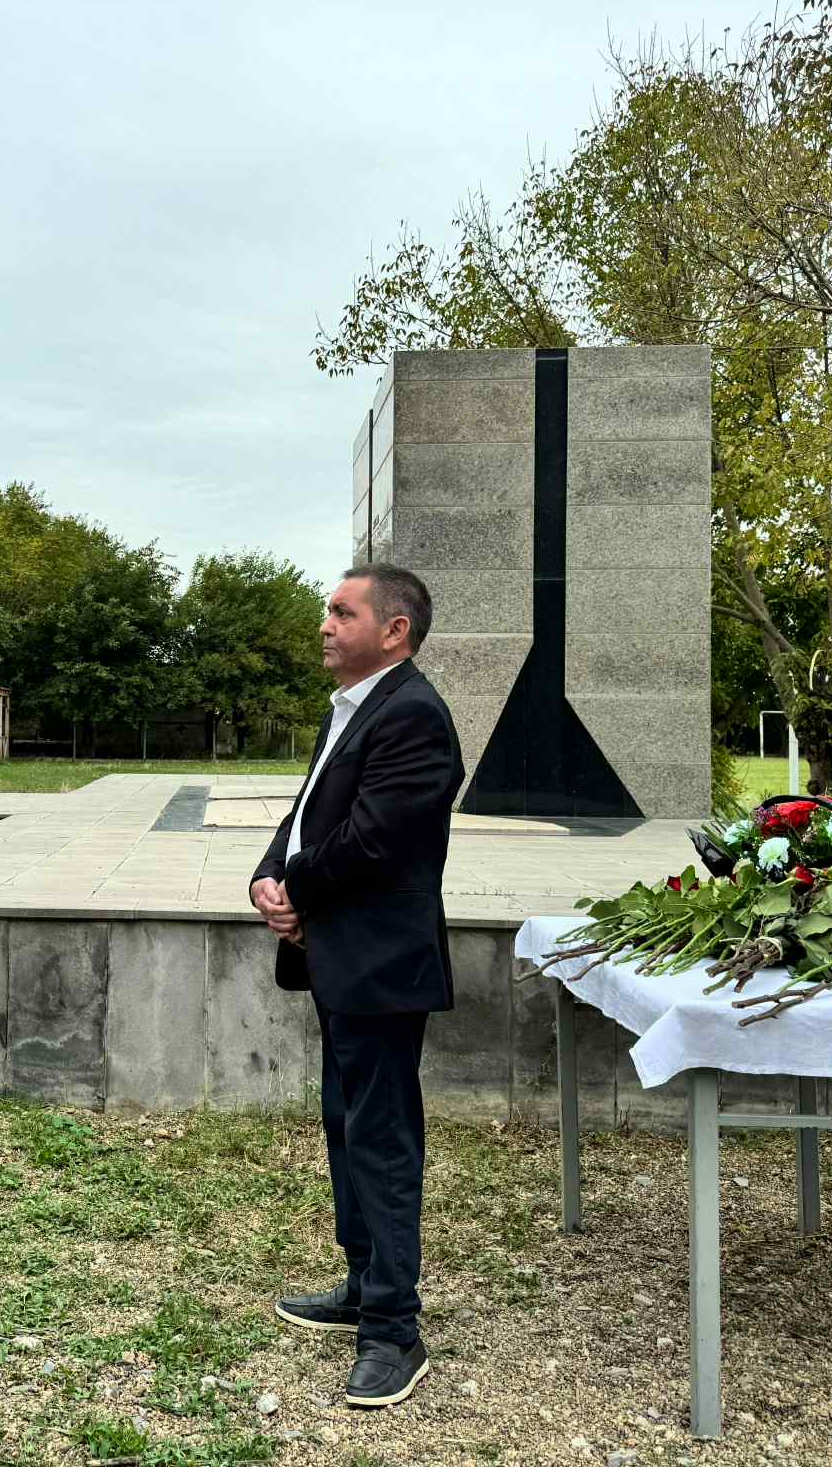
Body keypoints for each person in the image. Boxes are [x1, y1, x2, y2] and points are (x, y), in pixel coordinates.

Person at [249, 564, 465, 1410]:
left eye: (343, 612)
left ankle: (394, 1329)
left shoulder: (413, 714)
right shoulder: (354, 707)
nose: (326, 625)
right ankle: (362, 1285)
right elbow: (307, 815)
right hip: (340, 959)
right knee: (347, 1125)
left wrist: (298, 890)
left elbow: (376, 841)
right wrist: (269, 876)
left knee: (381, 1139)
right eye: (328, 612)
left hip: (381, 964)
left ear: (394, 630)